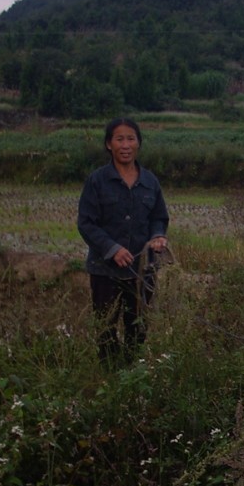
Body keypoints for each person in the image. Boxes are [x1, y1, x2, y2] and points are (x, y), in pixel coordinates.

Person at [77, 117, 169, 363]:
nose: (125, 144)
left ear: (138, 143)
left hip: (143, 271)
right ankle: (110, 378)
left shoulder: (150, 182)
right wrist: (112, 248)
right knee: (106, 328)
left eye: (131, 138)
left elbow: (159, 218)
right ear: (109, 144)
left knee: (137, 328)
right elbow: (86, 223)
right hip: (104, 270)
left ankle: (131, 376)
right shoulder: (97, 181)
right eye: (119, 139)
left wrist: (158, 236)